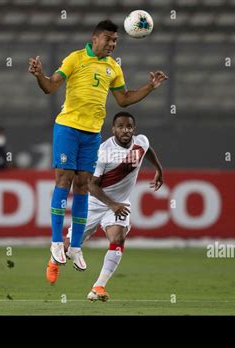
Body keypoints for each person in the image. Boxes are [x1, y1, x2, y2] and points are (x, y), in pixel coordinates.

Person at [28, 20, 168, 277]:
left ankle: (76, 246)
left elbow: (124, 98)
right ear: (95, 39)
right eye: (108, 39)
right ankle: (57, 242)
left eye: (115, 41)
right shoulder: (75, 59)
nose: (112, 44)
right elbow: (50, 87)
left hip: (93, 133)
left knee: (83, 185)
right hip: (68, 127)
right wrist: (39, 74)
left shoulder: (113, 67)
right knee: (64, 181)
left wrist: (150, 87)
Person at [48, 111, 164, 303]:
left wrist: (159, 169)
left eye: (129, 127)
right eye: (120, 126)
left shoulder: (141, 142)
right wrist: (112, 204)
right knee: (69, 248)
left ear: (133, 129)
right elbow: (90, 185)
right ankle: (54, 260)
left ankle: (98, 286)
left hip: (119, 204)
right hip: (95, 203)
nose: (125, 130)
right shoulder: (103, 152)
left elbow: (148, 149)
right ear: (113, 129)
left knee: (118, 237)